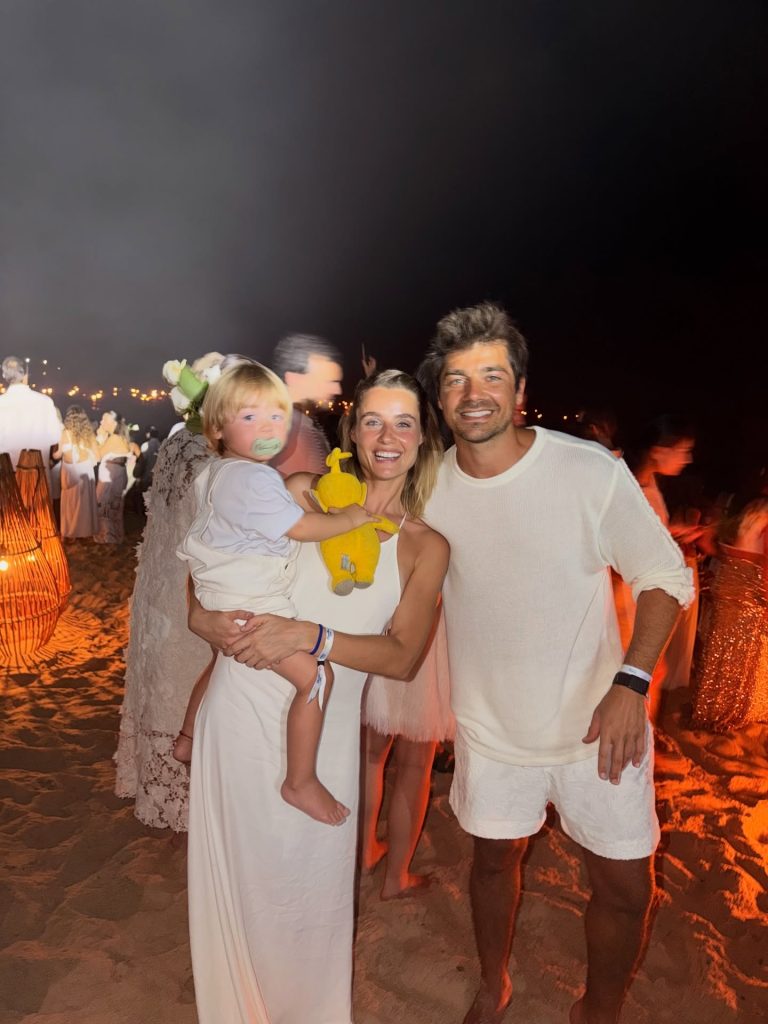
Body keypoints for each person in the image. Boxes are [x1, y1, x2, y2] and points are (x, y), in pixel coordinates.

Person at [413, 303, 694, 1024]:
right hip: (491, 729)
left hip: (600, 726)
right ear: (439, 398)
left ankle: (598, 1010)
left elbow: (664, 576)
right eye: (456, 379)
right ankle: (492, 984)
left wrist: (633, 681)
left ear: (520, 389)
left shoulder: (585, 470)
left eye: (492, 375)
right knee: (491, 863)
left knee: (626, 887)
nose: (474, 393)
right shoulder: (427, 487)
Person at [186, 368, 448, 1023]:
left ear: (423, 437)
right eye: (372, 421)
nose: (386, 437)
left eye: (404, 423)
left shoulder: (426, 546)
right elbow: (215, 553)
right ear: (352, 430)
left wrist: (314, 636)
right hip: (241, 708)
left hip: (324, 736)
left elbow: (402, 657)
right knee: (243, 886)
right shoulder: (302, 492)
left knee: (308, 898)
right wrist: (198, 617)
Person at [176, 361, 385, 825]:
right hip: (252, 601)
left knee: (219, 660)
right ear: (217, 427)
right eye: (250, 417)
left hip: (223, 594)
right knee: (316, 678)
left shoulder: (216, 474)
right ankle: (300, 780)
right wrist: (349, 519)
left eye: (276, 416)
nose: (269, 427)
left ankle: (188, 735)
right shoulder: (253, 478)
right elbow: (301, 527)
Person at [114, 353, 226, 832]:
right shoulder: (213, 455)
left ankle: (159, 784)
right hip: (191, 585)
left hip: (159, 586)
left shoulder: (178, 441)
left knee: (162, 680)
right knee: (187, 676)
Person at [360, 602, 455, 898]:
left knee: (370, 755)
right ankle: (396, 878)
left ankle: (364, 852)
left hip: (385, 622)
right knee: (415, 765)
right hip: (429, 633)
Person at [692, 496, 768, 731]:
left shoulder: (745, 514)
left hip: (726, 583)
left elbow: (711, 543)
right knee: (743, 654)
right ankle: (731, 710)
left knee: (721, 647)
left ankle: (710, 706)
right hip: (747, 588)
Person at [269, 332, 343, 476]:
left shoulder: (300, 422)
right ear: (293, 379)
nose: (338, 390)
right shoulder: (284, 428)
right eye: (328, 381)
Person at [0, 355, 61, 480]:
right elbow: (55, 437)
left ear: (4, 376)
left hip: (6, 478)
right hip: (38, 478)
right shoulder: (45, 402)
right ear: (25, 374)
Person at [53, 405, 99, 539]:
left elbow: (57, 455)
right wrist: (86, 453)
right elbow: (97, 457)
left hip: (68, 471)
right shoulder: (89, 435)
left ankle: (69, 531)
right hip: (84, 470)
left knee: (69, 502)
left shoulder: (64, 433)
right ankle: (83, 531)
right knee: (83, 503)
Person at [94, 410, 131, 544]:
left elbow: (97, 455)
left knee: (103, 503)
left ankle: (106, 536)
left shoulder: (114, 438)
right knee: (114, 504)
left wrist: (99, 438)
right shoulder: (120, 437)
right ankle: (115, 535)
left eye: (104, 419)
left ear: (113, 423)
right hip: (118, 471)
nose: (101, 422)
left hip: (110, 473)